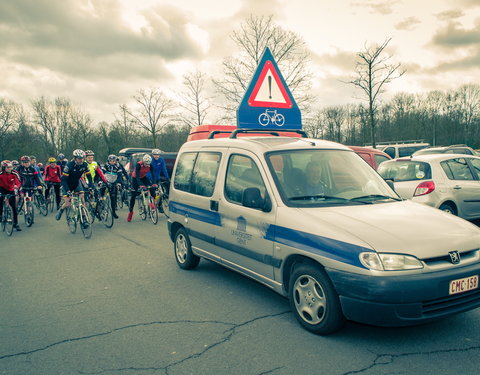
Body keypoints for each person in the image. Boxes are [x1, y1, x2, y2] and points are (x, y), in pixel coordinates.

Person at [56, 149, 94, 222]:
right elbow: (63, 180)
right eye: (79, 158)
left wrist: (91, 186)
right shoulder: (69, 166)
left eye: (82, 158)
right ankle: (61, 210)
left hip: (76, 183)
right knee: (68, 203)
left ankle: (84, 219)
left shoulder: (84, 165)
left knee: (82, 200)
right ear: (75, 158)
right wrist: (68, 190)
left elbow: (89, 177)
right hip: (67, 184)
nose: (81, 160)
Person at [100, 154, 129, 219]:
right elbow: (102, 174)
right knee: (101, 194)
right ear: (108, 161)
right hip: (106, 181)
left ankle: (113, 212)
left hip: (114, 182)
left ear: (116, 161)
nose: (112, 162)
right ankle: (100, 207)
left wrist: (118, 183)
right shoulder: (106, 166)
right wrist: (101, 181)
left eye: (113, 161)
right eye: (111, 161)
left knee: (113, 198)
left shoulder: (118, 166)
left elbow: (119, 176)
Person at [127, 154, 154, 222]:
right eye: (146, 164)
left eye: (148, 164)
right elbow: (137, 176)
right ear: (143, 162)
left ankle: (152, 204)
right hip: (136, 178)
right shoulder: (138, 165)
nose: (147, 165)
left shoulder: (150, 165)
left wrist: (154, 183)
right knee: (133, 195)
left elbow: (153, 174)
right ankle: (130, 212)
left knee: (152, 188)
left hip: (143, 177)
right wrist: (141, 185)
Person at [17, 156, 43, 223]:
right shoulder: (19, 169)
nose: (26, 163)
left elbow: (37, 178)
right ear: (22, 163)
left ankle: (28, 214)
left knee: (29, 200)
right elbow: (15, 177)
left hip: (30, 187)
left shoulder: (33, 169)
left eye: (27, 162)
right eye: (24, 162)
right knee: (21, 197)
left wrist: (39, 185)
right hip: (21, 187)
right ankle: (17, 206)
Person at [0, 160, 22, 231]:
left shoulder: (14, 173)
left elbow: (18, 182)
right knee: (0, 200)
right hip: (2, 188)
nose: (10, 168)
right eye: (8, 167)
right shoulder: (0, 173)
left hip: (11, 189)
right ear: (3, 168)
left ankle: (16, 224)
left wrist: (17, 187)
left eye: (10, 167)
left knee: (13, 207)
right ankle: (0, 216)